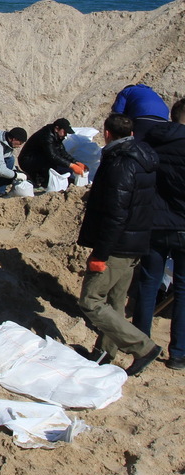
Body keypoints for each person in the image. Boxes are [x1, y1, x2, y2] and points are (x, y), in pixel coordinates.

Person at [75, 113, 161, 376]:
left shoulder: (120, 164)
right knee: (115, 302)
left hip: (117, 245)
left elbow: (116, 214)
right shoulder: (143, 157)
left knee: (90, 301)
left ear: (107, 133)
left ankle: (143, 347)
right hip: (135, 241)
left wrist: (101, 253)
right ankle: (104, 354)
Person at [133, 98, 185, 371]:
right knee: (183, 290)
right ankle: (178, 354)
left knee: (148, 284)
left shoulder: (150, 141)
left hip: (153, 223)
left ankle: (142, 347)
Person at [18, 119, 86, 190]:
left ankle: (44, 179)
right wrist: (71, 165)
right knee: (51, 161)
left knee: (60, 165)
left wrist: (76, 162)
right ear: (57, 129)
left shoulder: (56, 136)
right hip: (27, 161)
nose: (65, 134)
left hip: (38, 158)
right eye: (64, 131)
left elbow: (62, 152)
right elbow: (53, 156)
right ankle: (38, 180)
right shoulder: (46, 136)